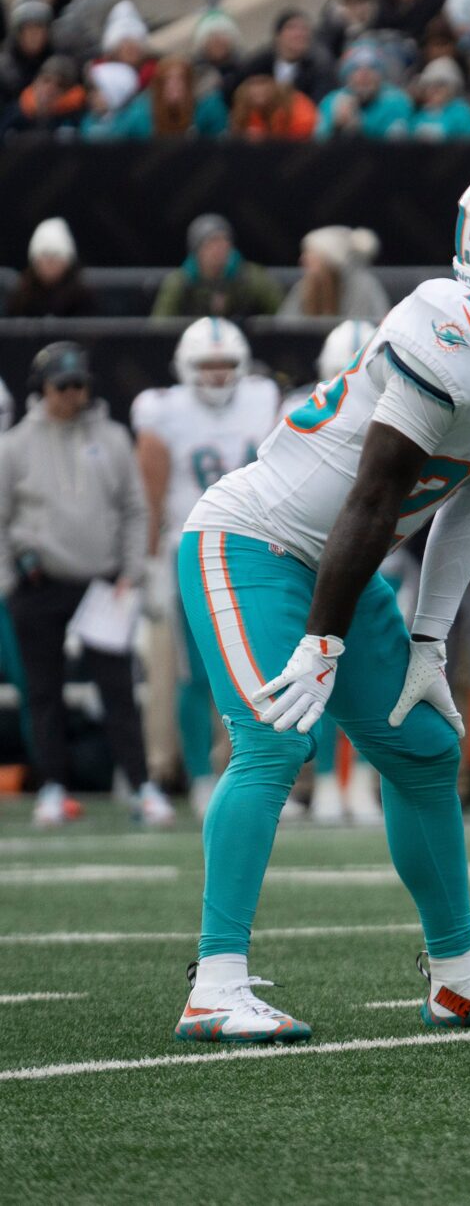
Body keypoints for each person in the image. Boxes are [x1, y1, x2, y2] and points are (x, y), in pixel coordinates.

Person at [170, 158, 470, 1041]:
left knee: (424, 751)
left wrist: (429, 638)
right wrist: (321, 643)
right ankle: (216, 981)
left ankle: (459, 980)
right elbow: (374, 494)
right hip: (251, 542)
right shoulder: (451, 326)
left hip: (339, 565)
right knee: (274, 737)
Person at [0, 342, 150, 827]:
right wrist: (9, 583)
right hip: (39, 583)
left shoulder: (113, 438)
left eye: (79, 384)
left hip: (103, 582)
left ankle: (142, 786)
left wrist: (131, 571)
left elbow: (135, 508)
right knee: (42, 691)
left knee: (118, 690)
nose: (72, 394)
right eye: (62, 385)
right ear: (41, 388)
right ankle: (53, 786)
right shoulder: (15, 446)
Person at [132, 320, 279, 815]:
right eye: (206, 364)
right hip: (191, 551)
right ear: (184, 366)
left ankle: (253, 773)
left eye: (226, 364)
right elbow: (150, 493)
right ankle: (199, 776)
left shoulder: (263, 398)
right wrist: (151, 560)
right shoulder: (163, 409)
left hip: (253, 548)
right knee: (194, 674)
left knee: (262, 671)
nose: (217, 374)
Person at [152, 213, 284, 320]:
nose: (218, 250)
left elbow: (282, 317)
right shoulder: (180, 281)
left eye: (223, 243)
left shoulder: (249, 277)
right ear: (197, 251)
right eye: (210, 244)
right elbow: (160, 327)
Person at [8, 216, 95, 318]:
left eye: (56, 256)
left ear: (67, 261)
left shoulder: (82, 297)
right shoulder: (21, 297)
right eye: (44, 256)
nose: (49, 264)